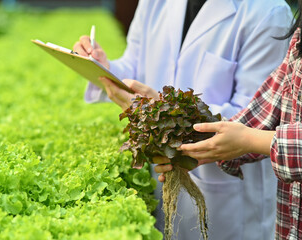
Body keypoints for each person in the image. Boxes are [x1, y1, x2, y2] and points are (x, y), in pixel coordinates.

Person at [73, 0, 293, 239]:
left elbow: (257, 118)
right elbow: (134, 65)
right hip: (164, 174)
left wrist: (163, 109)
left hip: (230, 198)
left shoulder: (268, 11)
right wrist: (103, 67)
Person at [155, 6, 302, 238]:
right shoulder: (298, 38)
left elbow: (252, 130)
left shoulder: (270, 11)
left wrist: (249, 140)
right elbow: (263, 110)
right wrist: (187, 143)